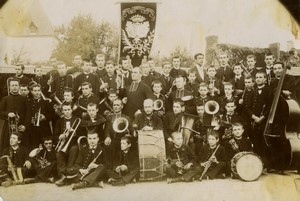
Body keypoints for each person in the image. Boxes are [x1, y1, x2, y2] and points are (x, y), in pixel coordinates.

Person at [54, 103, 81, 187]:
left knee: (74, 149)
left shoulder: (77, 120)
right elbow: (54, 136)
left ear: (71, 110)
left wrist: (75, 133)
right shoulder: (59, 121)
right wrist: (60, 136)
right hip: (63, 145)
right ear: (62, 111)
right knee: (59, 154)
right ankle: (62, 176)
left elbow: (82, 134)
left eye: (68, 109)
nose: (67, 112)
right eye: (65, 110)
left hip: (74, 143)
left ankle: (69, 174)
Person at [0, 78, 29, 154]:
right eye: (12, 85)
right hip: (8, 127)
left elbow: (28, 114)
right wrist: (7, 114)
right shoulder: (5, 99)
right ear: (9, 87)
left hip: (21, 127)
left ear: (19, 86)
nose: (14, 87)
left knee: (22, 145)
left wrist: (25, 126)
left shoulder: (24, 99)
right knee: (7, 144)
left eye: (16, 85)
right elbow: (0, 112)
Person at [248, 71, 270, 168]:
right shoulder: (253, 92)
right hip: (255, 121)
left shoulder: (269, 91)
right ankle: (257, 165)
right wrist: (254, 117)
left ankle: (265, 165)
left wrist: (261, 118)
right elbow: (248, 107)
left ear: (265, 79)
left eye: (260, 77)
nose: (258, 79)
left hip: (265, 121)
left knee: (263, 143)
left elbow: (270, 107)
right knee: (255, 143)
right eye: (256, 77)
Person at [104, 99, 134, 168]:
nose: (116, 107)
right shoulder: (109, 118)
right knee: (108, 146)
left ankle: (126, 168)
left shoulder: (126, 118)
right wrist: (107, 137)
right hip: (113, 139)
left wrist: (131, 134)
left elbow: (132, 131)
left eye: (118, 105)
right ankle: (111, 168)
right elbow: (107, 129)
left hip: (123, 140)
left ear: (122, 106)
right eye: (114, 105)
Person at [26, 83, 53, 149]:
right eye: (35, 91)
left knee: (45, 147)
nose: (37, 92)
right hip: (33, 129)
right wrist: (30, 120)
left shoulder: (46, 102)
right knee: (33, 146)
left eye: (38, 90)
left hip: (44, 128)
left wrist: (45, 117)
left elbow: (53, 115)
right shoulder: (28, 102)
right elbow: (26, 114)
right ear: (31, 92)